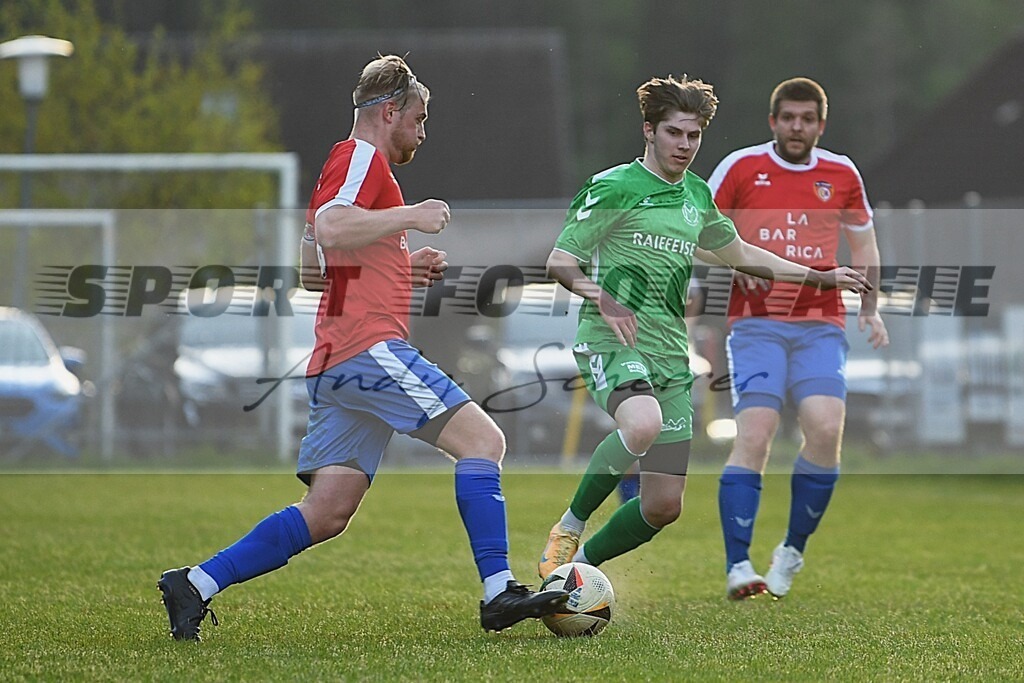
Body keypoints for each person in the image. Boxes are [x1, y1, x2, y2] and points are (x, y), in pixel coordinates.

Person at [158, 55, 567, 641]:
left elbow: (312, 269)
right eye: (419, 119)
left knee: (327, 513)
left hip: (336, 361)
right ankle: (499, 591)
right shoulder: (362, 158)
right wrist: (413, 216)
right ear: (389, 111)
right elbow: (332, 230)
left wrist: (400, 264)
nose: (423, 133)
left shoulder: (339, 166)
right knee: (484, 439)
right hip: (364, 349)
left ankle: (193, 584)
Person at [537, 74, 872, 583]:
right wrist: (600, 296)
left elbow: (740, 254)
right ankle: (568, 528)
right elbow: (560, 261)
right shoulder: (614, 186)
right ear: (649, 131)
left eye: (694, 136)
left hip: (671, 355)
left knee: (663, 507)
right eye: (674, 133)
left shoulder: (696, 195)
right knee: (642, 424)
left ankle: (578, 573)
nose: (685, 146)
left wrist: (819, 277)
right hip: (612, 338)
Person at [706, 77, 889, 600]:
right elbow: (700, 232)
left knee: (826, 429)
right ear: (773, 121)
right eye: (788, 117)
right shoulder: (740, 168)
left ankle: (791, 549)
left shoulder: (842, 172)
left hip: (820, 324)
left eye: (806, 119)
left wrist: (871, 309)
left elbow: (865, 247)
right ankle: (738, 565)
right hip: (756, 323)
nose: (796, 127)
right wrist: (733, 260)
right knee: (756, 434)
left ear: (820, 125)